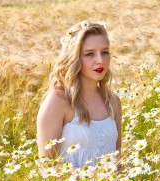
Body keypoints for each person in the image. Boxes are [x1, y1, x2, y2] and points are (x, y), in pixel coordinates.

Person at [37, 20, 122, 168]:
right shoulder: (58, 101)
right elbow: (47, 166)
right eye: (90, 54)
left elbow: (118, 160)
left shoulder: (112, 101)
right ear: (74, 57)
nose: (100, 60)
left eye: (105, 52)